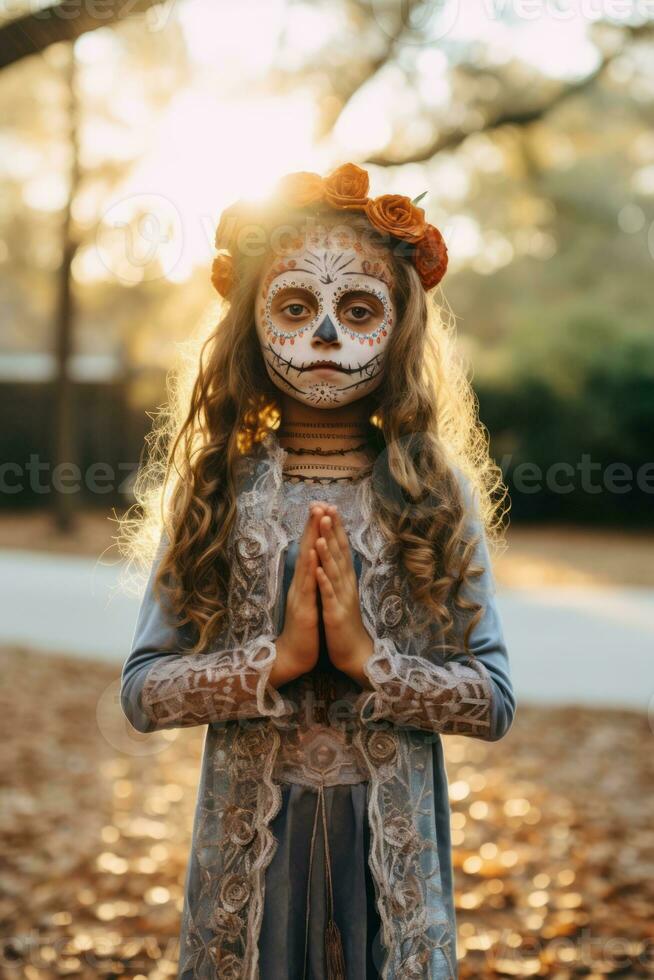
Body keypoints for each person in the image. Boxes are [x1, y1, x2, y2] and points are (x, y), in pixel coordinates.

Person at [119, 162, 516, 980]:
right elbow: (141, 690)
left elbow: (496, 700)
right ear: (253, 324)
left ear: (400, 325)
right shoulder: (214, 490)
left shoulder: (435, 495)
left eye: (358, 309)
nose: (326, 337)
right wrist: (279, 660)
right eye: (297, 308)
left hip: (390, 866)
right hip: (251, 860)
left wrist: (374, 661)